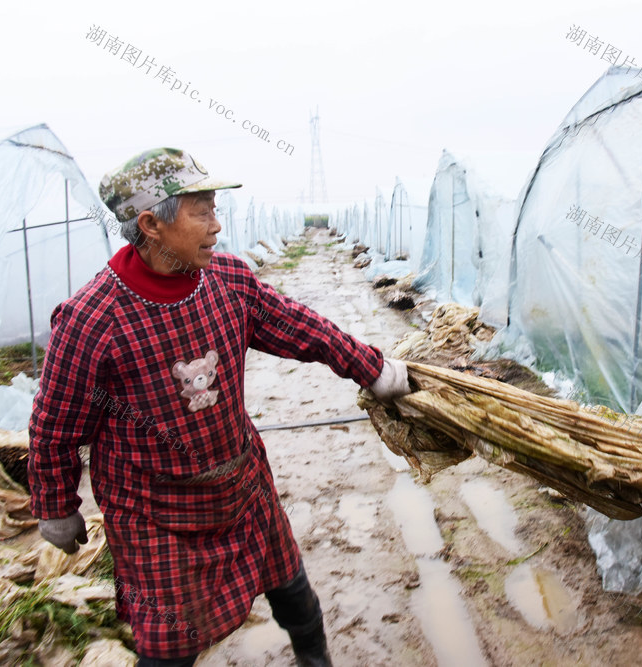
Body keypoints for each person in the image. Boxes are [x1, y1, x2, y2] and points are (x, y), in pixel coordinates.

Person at [27, 147, 411, 667]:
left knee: (293, 590)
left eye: (215, 208)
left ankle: (315, 660)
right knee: (169, 644)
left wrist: (371, 367)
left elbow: (303, 328)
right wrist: (56, 505)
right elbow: (55, 427)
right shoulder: (93, 319)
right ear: (151, 225)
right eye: (202, 210)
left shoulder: (228, 281)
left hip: (240, 482)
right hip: (153, 512)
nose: (217, 224)